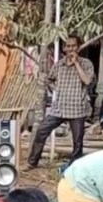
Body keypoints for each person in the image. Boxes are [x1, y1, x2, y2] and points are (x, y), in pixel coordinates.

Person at [27, 35, 95, 168]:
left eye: (73, 46)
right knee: (41, 131)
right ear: (64, 48)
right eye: (68, 46)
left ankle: (74, 167)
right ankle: (32, 162)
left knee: (77, 141)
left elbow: (87, 80)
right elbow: (50, 80)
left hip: (77, 108)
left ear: (78, 47)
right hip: (59, 107)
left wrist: (76, 63)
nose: (71, 49)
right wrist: (55, 89)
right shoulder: (58, 65)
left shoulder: (86, 63)